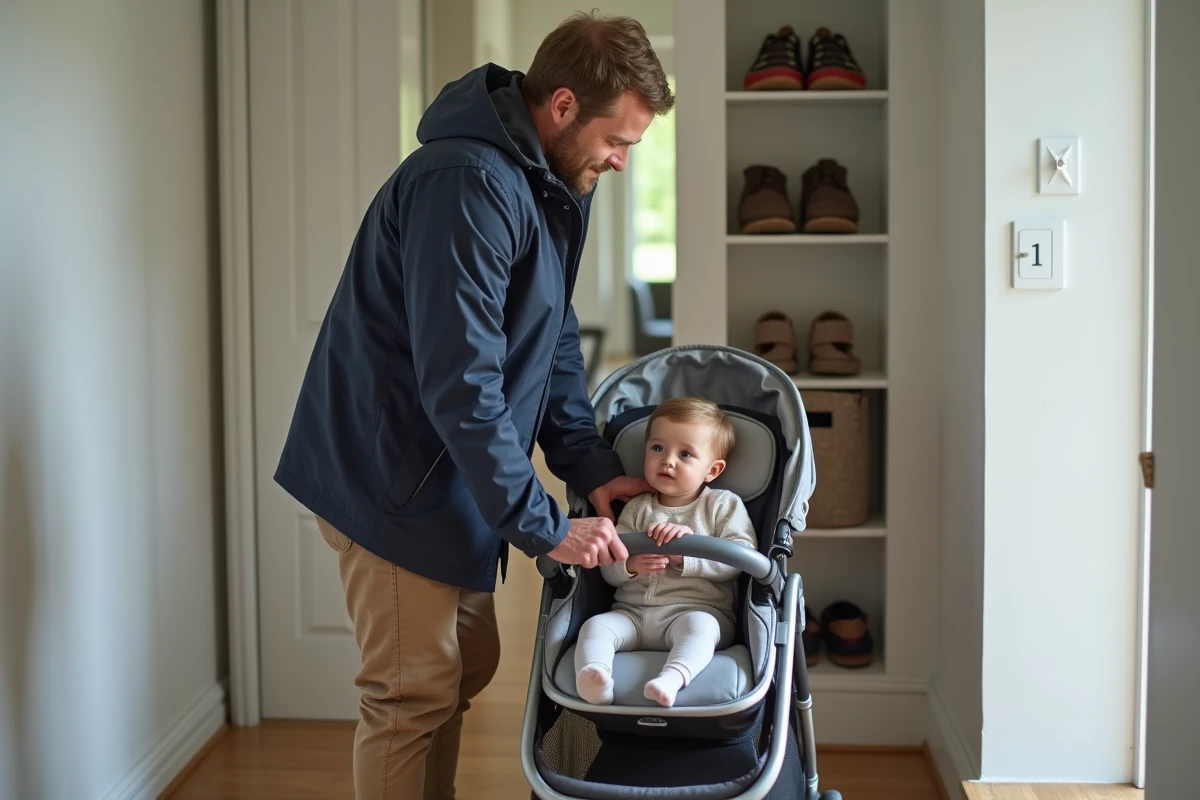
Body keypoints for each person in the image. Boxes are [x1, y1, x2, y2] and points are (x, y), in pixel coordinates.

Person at [271, 11, 674, 799]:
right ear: (562, 106)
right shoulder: (467, 184)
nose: (622, 162)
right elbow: (462, 384)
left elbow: (553, 331)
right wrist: (544, 527)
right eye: (617, 141)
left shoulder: (553, 180)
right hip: (393, 478)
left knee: (464, 667)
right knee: (411, 692)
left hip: (448, 474)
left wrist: (588, 465)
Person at [573, 397, 759, 708]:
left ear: (712, 470)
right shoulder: (636, 507)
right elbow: (609, 567)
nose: (667, 460)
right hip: (632, 615)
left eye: (685, 454)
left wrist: (686, 554)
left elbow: (742, 558)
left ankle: (671, 678)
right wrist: (630, 565)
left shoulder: (722, 505)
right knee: (596, 627)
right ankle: (596, 676)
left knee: (701, 629)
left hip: (696, 611)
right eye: (657, 448)